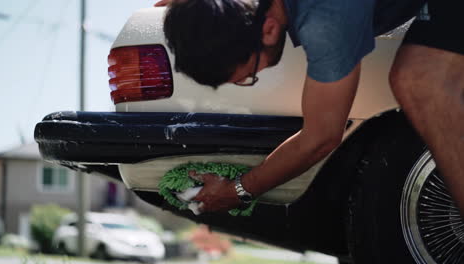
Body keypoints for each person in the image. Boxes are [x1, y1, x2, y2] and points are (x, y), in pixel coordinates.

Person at [154, 0, 464, 216]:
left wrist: (238, 190)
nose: (256, 76)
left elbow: (320, 137)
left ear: (269, 30)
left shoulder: (325, 20)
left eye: (249, 75)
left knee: (422, 81)